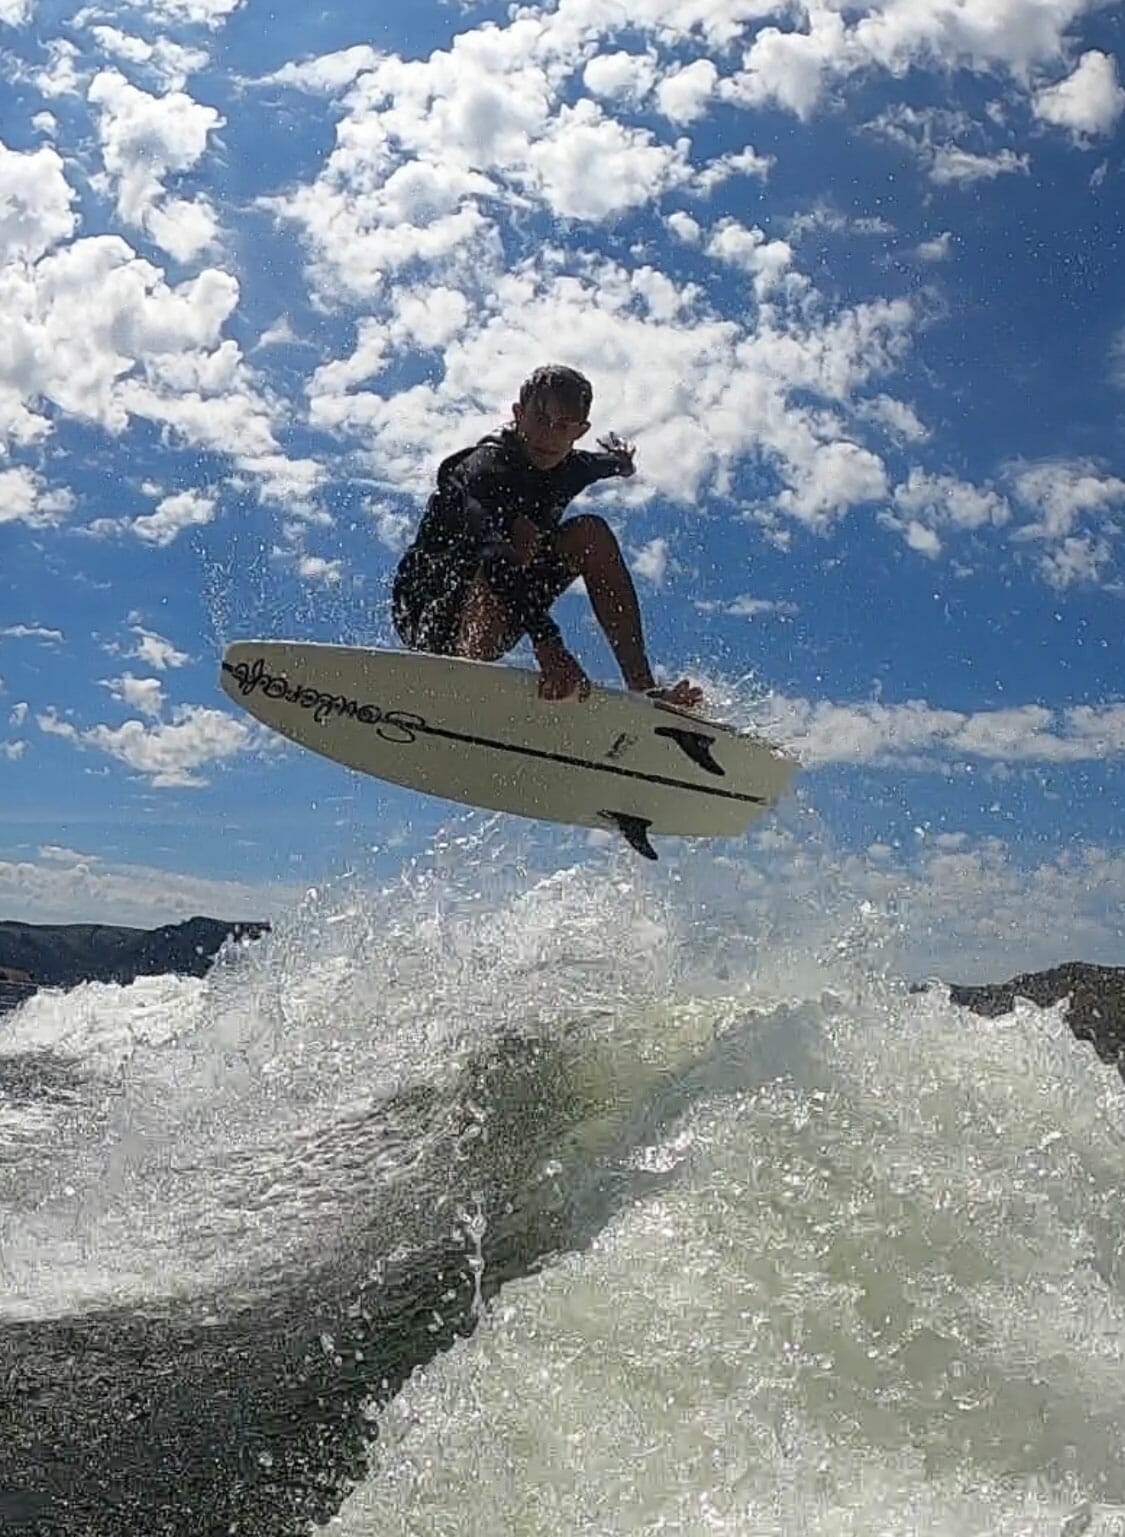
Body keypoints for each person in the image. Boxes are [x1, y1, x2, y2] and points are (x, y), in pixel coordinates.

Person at [392, 365, 702, 707]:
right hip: (430, 613)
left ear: (580, 431)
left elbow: (609, 464)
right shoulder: (484, 471)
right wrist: (549, 644)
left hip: (506, 608)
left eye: (563, 426)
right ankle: (460, 685)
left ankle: (644, 691)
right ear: (518, 414)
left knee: (591, 533)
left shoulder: (573, 466)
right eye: (540, 419)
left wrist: (622, 462)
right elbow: (494, 559)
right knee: (516, 538)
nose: (549, 436)